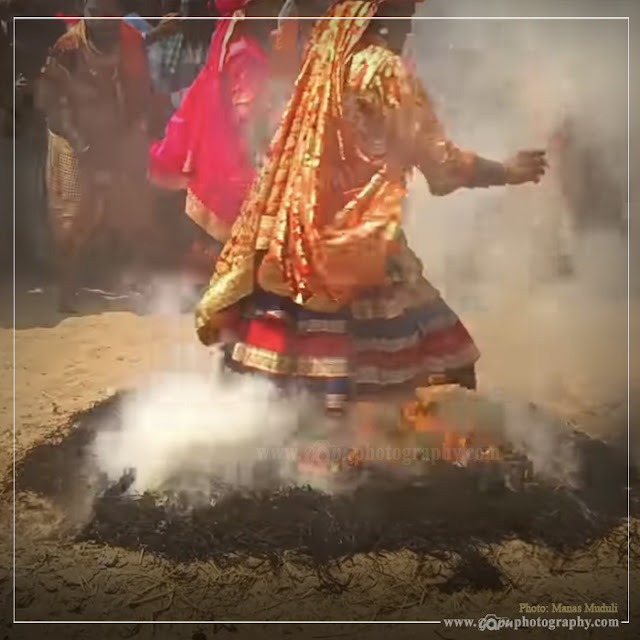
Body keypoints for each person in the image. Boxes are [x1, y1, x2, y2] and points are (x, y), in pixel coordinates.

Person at [195, 0, 547, 414]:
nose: (409, 29)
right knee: (414, 371)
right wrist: (506, 171)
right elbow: (439, 160)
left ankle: (300, 446)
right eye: (406, 16)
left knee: (290, 386)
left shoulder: (328, 58)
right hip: (360, 242)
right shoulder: (381, 68)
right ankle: (360, 456)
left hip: (299, 229)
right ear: (381, 10)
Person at [148, 0, 284, 282]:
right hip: (240, 163)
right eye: (269, 8)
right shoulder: (247, 55)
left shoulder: (234, 47)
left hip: (218, 159)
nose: (276, 16)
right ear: (248, 13)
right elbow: (247, 117)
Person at [38, 0, 154, 311]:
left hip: (115, 132)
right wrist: (80, 142)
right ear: (85, 12)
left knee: (131, 206)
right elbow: (49, 103)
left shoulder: (131, 40)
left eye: (109, 13)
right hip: (71, 136)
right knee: (74, 214)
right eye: (95, 12)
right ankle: (66, 289)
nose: (102, 20)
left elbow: (142, 92)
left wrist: (128, 132)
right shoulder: (68, 47)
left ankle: (136, 282)